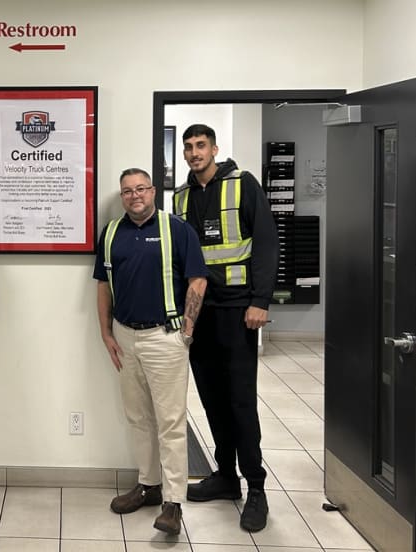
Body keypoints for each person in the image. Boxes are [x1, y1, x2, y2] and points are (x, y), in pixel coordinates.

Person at [172, 124, 279, 532]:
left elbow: (267, 242)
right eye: (189, 147)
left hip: (238, 310)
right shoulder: (180, 198)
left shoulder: (242, 184)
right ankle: (225, 477)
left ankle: (256, 487)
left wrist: (260, 301)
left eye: (201, 145)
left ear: (214, 149)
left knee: (239, 401)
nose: (195, 152)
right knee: (212, 399)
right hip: (201, 315)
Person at [94, 168, 208, 536]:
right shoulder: (111, 234)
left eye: (140, 188)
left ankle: (173, 503)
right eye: (127, 191)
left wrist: (187, 331)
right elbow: (102, 286)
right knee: (138, 418)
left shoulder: (177, 230)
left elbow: (198, 279)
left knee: (171, 423)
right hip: (126, 338)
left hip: (166, 339)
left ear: (153, 191)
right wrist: (106, 333)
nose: (134, 195)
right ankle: (149, 485)